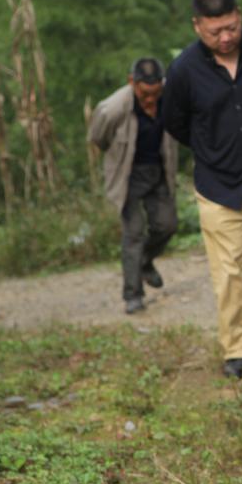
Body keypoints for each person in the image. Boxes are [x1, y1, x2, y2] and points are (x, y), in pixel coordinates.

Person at [163, 0, 242, 380]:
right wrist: (212, 148)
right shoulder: (183, 70)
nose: (226, 37)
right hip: (218, 186)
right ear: (197, 26)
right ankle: (238, 347)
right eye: (215, 32)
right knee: (230, 271)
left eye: (231, 27)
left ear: (240, 16)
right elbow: (175, 121)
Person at [89, 58, 178, 314]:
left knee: (167, 225)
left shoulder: (170, 98)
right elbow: (97, 137)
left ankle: (145, 261)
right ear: (132, 82)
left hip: (159, 171)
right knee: (134, 232)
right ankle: (133, 294)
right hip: (128, 175)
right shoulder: (113, 109)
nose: (150, 99)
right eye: (144, 93)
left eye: (155, 93)